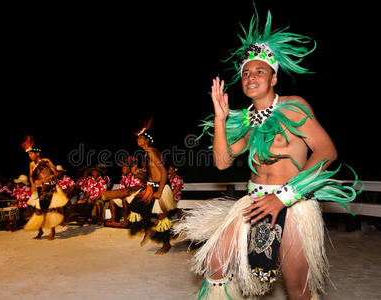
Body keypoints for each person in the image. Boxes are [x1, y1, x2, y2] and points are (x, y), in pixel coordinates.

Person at [174, 7, 361, 300]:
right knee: (215, 264)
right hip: (254, 202)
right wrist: (221, 120)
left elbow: (327, 151)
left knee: (297, 288)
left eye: (260, 70)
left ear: (273, 78)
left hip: (294, 204)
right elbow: (222, 162)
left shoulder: (294, 106)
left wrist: (285, 196)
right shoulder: (249, 121)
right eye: (246, 72)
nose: (251, 76)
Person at [127, 120, 177, 254]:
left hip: (160, 186)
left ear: (147, 140)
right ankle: (148, 229)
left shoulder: (152, 152)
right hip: (151, 186)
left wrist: (160, 191)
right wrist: (138, 172)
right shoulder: (145, 154)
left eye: (141, 137)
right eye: (138, 137)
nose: (138, 139)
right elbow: (148, 175)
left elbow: (163, 172)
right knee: (135, 206)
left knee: (162, 216)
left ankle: (166, 244)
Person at [21, 135, 68, 240]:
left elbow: (56, 173)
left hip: (49, 187)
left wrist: (43, 180)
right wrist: (33, 184)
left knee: (50, 210)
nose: (30, 155)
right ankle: (40, 231)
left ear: (37, 153)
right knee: (38, 211)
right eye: (29, 154)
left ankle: (52, 231)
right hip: (39, 189)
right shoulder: (31, 165)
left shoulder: (46, 161)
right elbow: (30, 176)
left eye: (31, 153)